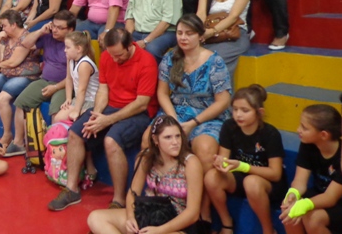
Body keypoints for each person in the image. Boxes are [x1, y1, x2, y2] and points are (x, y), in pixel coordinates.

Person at [47, 28, 158, 212]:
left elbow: (141, 103)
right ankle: (71, 189)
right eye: (111, 54)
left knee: (111, 141)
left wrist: (107, 120)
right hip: (109, 106)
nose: (114, 59)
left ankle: (118, 200)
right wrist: (96, 115)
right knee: (75, 132)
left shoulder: (147, 61)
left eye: (119, 55)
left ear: (130, 46)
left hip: (138, 112)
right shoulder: (107, 56)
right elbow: (103, 90)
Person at [154, 14, 232, 223]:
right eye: (180, 33)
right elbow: (162, 93)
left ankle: (201, 211)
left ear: (200, 36)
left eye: (189, 33)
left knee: (205, 149)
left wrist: (193, 123)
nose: (183, 37)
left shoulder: (215, 62)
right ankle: (160, 199)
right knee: (148, 139)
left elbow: (223, 101)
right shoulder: (169, 58)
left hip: (207, 116)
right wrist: (173, 121)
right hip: (175, 112)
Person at [87, 115, 204, 234]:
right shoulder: (146, 158)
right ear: (155, 139)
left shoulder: (190, 163)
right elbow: (133, 193)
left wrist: (159, 231)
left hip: (178, 223)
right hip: (150, 213)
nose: (175, 142)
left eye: (178, 136)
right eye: (168, 137)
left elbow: (193, 213)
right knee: (96, 218)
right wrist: (130, 218)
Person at [205, 85, 286, 234]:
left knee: (252, 182)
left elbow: (275, 174)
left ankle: (268, 230)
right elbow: (224, 157)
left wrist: (243, 166)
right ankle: (226, 223)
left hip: (267, 183)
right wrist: (220, 162)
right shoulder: (229, 126)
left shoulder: (270, 133)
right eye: (235, 109)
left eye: (245, 110)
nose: (238, 115)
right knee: (211, 177)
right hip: (240, 177)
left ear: (259, 112)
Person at [3, 11, 76, 157]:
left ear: (70, 30)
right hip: (44, 80)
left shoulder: (74, 45)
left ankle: (54, 151)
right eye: (54, 26)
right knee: (21, 103)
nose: (55, 30)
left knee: (56, 111)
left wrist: (55, 87)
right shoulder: (48, 37)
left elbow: (74, 77)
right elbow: (26, 44)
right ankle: (18, 143)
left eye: (60, 28)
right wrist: (41, 31)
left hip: (64, 85)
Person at [0, 10, 41, 146]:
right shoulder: (5, 37)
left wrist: (2, 64)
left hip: (26, 75)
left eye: (5, 25)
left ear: (13, 25)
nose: (3, 28)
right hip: (7, 74)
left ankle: (7, 134)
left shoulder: (26, 38)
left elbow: (13, 62)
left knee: (2, 98)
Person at [280, 104, 342, 234]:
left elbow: (331, 197)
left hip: (340, 202)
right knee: (288, 206)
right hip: (319, 194)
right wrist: (293, 193)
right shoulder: (308, 144)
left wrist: (304, 204)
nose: (298, 130)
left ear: (324, 135)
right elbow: (300, 181)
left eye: (304, 128)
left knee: (314, 219)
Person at [197, 0, 251, 78]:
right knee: (185, 54)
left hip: (234, 33)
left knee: (215, 59)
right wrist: (200, 31)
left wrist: (212, 32)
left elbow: (233, 16)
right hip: (209, 31)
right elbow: (201, 13)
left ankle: (222, 90)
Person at [55, 30, 99, 128]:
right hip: (79, 98)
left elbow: (82, 90)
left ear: (78, 48)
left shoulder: (84, 64)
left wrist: (76, 110)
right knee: (58, 119)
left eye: (68, 47)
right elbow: (69, 79)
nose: (65, 50)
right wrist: (68, 98)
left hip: (91, 101)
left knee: (77, 124)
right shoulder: (70, 59)